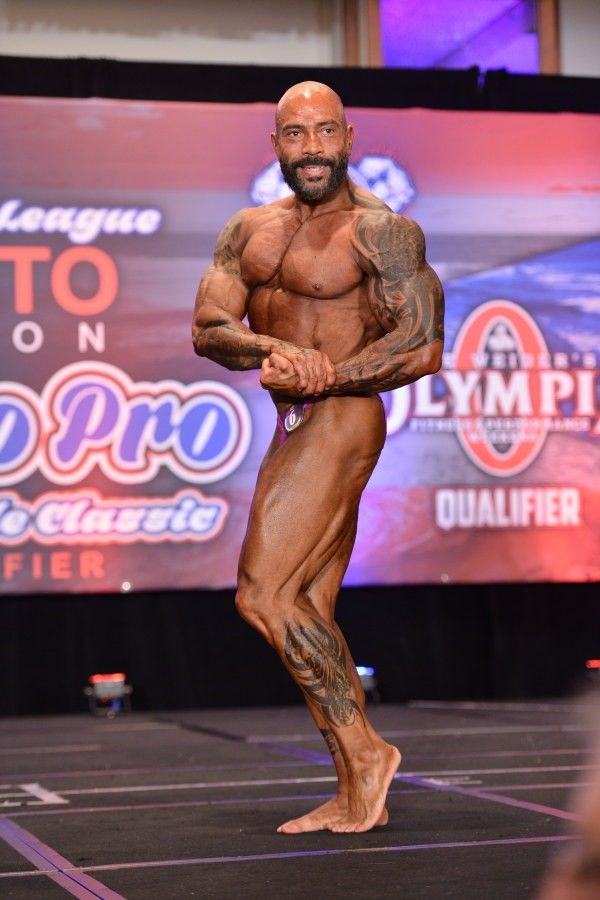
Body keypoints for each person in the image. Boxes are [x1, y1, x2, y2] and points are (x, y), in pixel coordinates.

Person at [192, 81, 444, 834]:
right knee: (305, 605)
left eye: (325, 132)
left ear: (348, 137)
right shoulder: (249, 230)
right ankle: (354, 782)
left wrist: (327, 374)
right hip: (295, 417)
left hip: (343, 415)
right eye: (296, 134)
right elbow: (209, 327)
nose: (312, 148)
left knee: (262, 595)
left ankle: (367, 754)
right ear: (276, 143)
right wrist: (277, 351)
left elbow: (421, 345)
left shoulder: (381, 231)